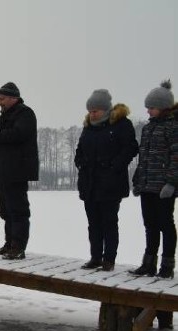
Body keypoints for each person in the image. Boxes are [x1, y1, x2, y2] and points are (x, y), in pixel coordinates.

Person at [74, 89, 139, 272]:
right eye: (90, 111)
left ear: (105, 109)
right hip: (89, 183)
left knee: (109, 222)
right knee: (93, 222)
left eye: (95, 110)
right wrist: (79, 163)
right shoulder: (88, 127)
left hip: (111, 184)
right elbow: (80, 149)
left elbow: (131, 148)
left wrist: (114, 166)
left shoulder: (121, 125)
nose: (92, 114)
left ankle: (109, 259)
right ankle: (95, 257)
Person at [0, 82, 39, 260]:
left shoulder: (25, 113)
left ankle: (18, 247)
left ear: (13, 98)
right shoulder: (7, 114)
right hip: (5, 170)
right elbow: (8, 137)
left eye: (1, 99)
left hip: (17, 170)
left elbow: (18, 134)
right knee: (6, 210)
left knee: (18, 210)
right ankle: (9, 244)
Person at [130, 80, 177, 279]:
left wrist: (172, 183)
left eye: (151, 108)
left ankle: (167, 265)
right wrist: (138, 179)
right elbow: (144, 157)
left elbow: (176, 157)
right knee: (150, 225)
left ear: (163, 107)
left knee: (166, 224)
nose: (148, 111)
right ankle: (148, 263)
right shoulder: (148, 129)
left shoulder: (173, 127)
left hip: (163, 187)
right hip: (147, 185)